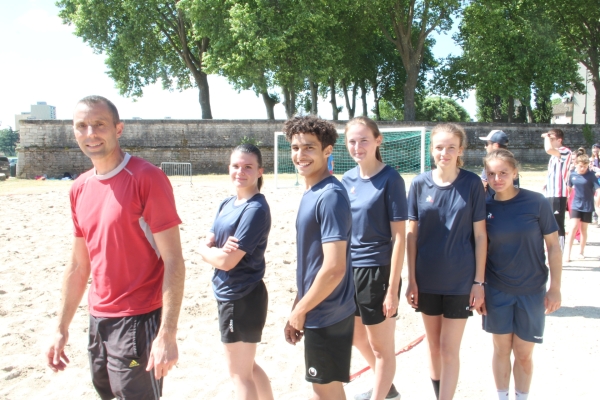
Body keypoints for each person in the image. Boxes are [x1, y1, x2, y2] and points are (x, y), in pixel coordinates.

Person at [46, 96, 185, 399]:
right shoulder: (79, 187)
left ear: (118, 129)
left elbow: (174, 260)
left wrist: (167, 334)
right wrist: (61, 327)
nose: (90, 133)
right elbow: (79, 265)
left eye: (99, 124)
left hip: (138, 322)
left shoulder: (147, 178)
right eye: (82, 126)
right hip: (98, 321)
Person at [406, 123, 487, 400]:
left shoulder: (472, 183)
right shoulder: (418, 183)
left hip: (460, 280)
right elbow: (411, 236)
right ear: (431, 149)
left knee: (449, 349)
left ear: (460, 150)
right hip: (426, 279)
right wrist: (412, 280)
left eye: (451, 147)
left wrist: (478, 282)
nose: (445, 152)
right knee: (433, 346)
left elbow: (480, 235)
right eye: (439, 147)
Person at [283, 115, 355, 400]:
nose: (300, 155)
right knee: (322, 388)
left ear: (327, 151)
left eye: (309, 148)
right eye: (295, 148)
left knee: (327, 390)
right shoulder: (312, 191)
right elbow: (312, 262)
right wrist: (297, 306)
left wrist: (300, 311)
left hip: (328, 311)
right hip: (317, 308)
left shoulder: (330, 196)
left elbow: (335, 267)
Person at [482, 149, 562, 400]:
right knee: (501, 349)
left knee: (524, 353)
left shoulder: (536, 202)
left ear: (515, 173)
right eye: (492, 174)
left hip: (531, 290)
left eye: (503, 172)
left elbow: (553, 246)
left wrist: (555, 287)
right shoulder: (483, 207)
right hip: (497, 290)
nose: (497, 179)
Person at [198, 144, 274, 400]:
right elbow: (211, 239)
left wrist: (204, 251)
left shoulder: (255, 209)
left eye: (248, 167)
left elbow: (227, 262)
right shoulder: (228, 203)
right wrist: (214, 250)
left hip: (240, 296)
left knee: (239, 375)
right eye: (236, 166)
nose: (240, 171)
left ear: (259, 171)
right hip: (234, 294)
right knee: (248, 368)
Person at [341, 117, 406, 400]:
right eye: (352, 141)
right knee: (356, 336)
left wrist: (392, 289)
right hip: (349, 270)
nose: (358, 146)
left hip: (378, 271)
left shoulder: (391, 179)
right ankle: (387, 387)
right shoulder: (346, 179)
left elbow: (400, 237)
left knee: (382, 349)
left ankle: (380, 394)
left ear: (378, 141)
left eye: (364, 140)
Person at [564, 148, 600, 262]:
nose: (583, 168)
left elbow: (598, 189)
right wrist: (565, 202)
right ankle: (567, 253)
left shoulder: (591, 175)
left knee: (584, 230)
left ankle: (581, 252)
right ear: (577, 164)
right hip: (575, 204)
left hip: (588, 206)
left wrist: (598, 200)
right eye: (581, 166)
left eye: (585, 166)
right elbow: (568, 189)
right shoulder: (572, 174)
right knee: (573, 227)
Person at [541, 128, 571, 250]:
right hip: (551, 192)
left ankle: (560, 251)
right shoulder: (555, 154)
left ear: (559, 140)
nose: (549, 140)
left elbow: (548, 149)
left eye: (552, 138)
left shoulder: (565, 151)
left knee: (558, 223)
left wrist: (546, 137)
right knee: (549, 222)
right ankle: (551, 249)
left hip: (558, 193)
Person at [478, 130, 519, 196]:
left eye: (486, 143)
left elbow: (482, 188)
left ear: (495, 145)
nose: (485, 147)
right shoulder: (511, 161)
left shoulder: (492, 164)